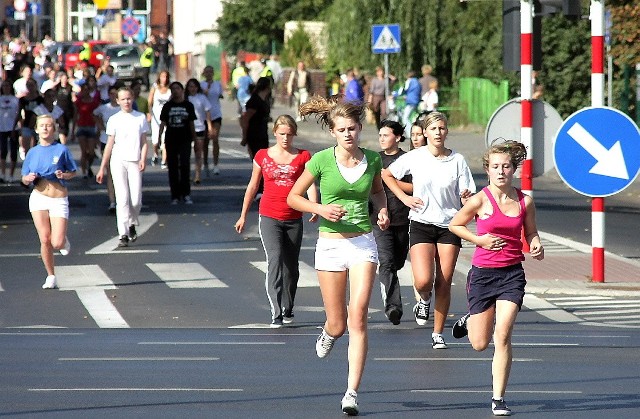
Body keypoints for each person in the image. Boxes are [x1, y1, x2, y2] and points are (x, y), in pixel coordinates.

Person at [286, 96, 389, 416]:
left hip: (362, 244)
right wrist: (320, 208)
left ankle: (351, 392)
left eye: (353, 128)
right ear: (332, 132)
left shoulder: (373, 160)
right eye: (341, 129)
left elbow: (377, 191)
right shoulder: (319, 161)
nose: (348, 134)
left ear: (360, 129)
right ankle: (329, 332)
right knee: (338, 323)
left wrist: (383, 209)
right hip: (330, 245)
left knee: (358, 316)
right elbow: (293, 197)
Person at [449, 140, 544, 416]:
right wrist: (480, 239)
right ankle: (470, 320)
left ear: (513, 169)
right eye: (495, 167)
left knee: (502, 335)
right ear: (487, 170)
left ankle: (498, 398)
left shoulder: (525, 201)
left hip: (512, 274)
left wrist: (535, 245)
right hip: (482, 275)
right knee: (480, 344)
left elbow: (532, 232)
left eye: (506, 166)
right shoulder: (479, 199)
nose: (501, 171)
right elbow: (455, 225)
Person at [381, 112, 475, 350]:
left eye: (442, 128)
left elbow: (468, 196)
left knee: (444, 281)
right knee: (424, 280)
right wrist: (404, 197)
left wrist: (466, 198)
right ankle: (423, 300)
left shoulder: (458, 160)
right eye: (433, 129)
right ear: (425, 132)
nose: (438, 133)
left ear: (446, 131)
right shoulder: (416, 157)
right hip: (422, 222)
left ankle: (437, 333)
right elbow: (387, 174)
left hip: (450, 225)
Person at [234, 115, 318, 327]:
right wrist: (243, 214)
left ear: (294, 134)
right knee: (275, 260)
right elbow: (253, 186)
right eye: (282, 134)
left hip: (293, 217)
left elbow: (309, 184)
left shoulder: (303, 156)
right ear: (275, 133)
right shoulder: (263, 156)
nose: (286, 138)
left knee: (291, 266)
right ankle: (276, 311)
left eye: (289, 134)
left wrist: (314, 206)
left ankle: (288, 306)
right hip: (269, 216)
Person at [21, 114, 77, 289]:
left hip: (58, 198)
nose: (45, 128)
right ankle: (51, 275)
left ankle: (63, 240)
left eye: (48, 125)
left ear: (54, 129)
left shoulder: (61, 150)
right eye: (42, 126)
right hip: (38, 197)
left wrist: (64, 175)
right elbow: (24, 177)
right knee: (45, 239)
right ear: (36, 130)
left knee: (57, 243)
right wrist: (27, 178)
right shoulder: (32, 152)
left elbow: (73, 172)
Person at [96, 87, 150, 248]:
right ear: (117, 101)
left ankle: (132, 222)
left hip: (134, 161)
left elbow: (144, 142)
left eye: (128, 98)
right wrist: (102, 167)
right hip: (118, 161)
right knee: (122, 199)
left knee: (136, 200)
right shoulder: (114, 119)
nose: (126, 101)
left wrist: (143, 159)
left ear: (132, 98)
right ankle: (123, 234)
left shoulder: (139, 117)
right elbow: (109, 144)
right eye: (123, 99)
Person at [373, 120, 412, 325]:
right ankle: (393, 307)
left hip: (403, 218)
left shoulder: (408, 159)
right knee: (386, 262)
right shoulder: (374, 160)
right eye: (380, 135)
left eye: (386, 135)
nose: (381, 139)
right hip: (379, 220)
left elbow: (416, 188)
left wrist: (391, 181)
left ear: (397, 137)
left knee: (397, 262)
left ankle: (391, 296)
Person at [158, 81, 197, 205]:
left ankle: (186, 193)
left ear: (182, 90)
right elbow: (163, 123)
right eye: (173, 89)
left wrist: (195, 139)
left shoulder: (188, 105)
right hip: (171, 139)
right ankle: (175, 195)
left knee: (185, 165)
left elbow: (191, 123)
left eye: (178, 88)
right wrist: (159, 138)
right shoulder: (167, 106)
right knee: (173, 167)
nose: (175, 91)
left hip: (185, 139)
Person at [93, 85, 121, 213]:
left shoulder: (123, 109)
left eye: (116, 94)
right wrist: (100, 126)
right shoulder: (104, 108)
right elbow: (94, 113)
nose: (114, 97)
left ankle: (122, 199)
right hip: (106, 141)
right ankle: (112, 202)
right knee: (110, 172)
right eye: (112, 94)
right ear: (109, 95)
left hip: (122, 143)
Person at [185, 78, 213, 185]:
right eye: (190, 86)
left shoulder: (202, 98)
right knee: (186, 153)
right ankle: (186, 174)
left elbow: (207, 112)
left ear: (198, 88)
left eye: (194, 86)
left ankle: (197, 175)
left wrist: (209, 127)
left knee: (198, 152)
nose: (192, 89)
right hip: (186, 129)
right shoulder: (185, 98)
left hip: (200, 128)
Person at [72, 82, 100, 178]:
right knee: (84, 151)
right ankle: (84, 172)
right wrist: (72, 131)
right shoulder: (79, 102)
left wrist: (98, 130)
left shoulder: (94, 102)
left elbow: (97, 116)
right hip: (82, 127)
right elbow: (75, 116)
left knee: (91, 152)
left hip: (91, 127)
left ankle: (89, 165)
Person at [200, 66, 223, 175]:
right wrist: (207, 88)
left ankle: (216, 164)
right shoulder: (201, 85)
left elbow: (220, 95)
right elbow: (202, 96)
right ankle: (205, 163)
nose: (209, 74)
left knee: (215, 138)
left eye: (211, 72)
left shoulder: (218, 84)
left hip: (216, 114)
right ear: (204, 73)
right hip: (204, 115)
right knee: (205, 141)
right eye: (207, 72)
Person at [147, 70, 171, 168]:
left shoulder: (170, 89)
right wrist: (149, 113)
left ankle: (164, 161)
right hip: (156, 117)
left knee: (165, 139)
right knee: (156, 140)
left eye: (165, 77)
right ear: (159, 77)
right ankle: (156, 154)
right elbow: (150, 102)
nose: (164, 79)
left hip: (167, 118)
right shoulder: (155, 87)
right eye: (162, 76)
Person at [17, 78, 43, 161]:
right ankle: (28, 165)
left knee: (37, 147)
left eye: (32, 85)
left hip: (39, 125)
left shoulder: (40, 99)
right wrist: (18, 125)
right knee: (27, 148)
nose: (30, 87)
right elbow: (19, 113)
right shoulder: (23, 99)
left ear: (36, 86)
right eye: (28, 85)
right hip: (26, 124)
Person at [0, 79, 20, 183]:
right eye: (4, 86)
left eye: (8, 85)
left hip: (13, 128)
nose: (6, 87)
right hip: (2, 128)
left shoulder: (15, 99)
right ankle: (3, 174)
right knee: (2, 151)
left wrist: (15, 126)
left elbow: (18, 113)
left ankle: (11, 175)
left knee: (13, 151)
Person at [401, 71, 421, 137]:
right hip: (416, 101)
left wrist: (396, 94)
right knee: (414, 117)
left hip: (410, 101)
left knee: (405, 118)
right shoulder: (418, 82)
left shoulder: (409, 81)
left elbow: (404, 89)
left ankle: (410, 133)